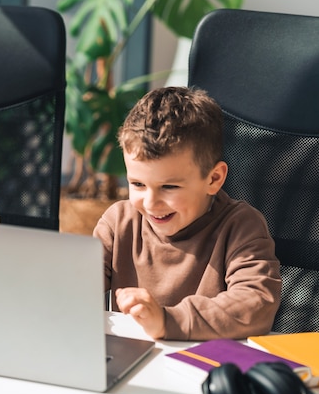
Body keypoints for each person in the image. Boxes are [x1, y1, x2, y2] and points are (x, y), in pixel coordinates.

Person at [93, 86, 281, 341]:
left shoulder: (241, 226)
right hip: (132, 358)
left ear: (214, 179)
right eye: (137, 184)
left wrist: (167, 321)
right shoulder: (118, 222)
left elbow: (256, 304)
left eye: (169, 187)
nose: (150, 203)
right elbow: (76, 284)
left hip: (204, 370)